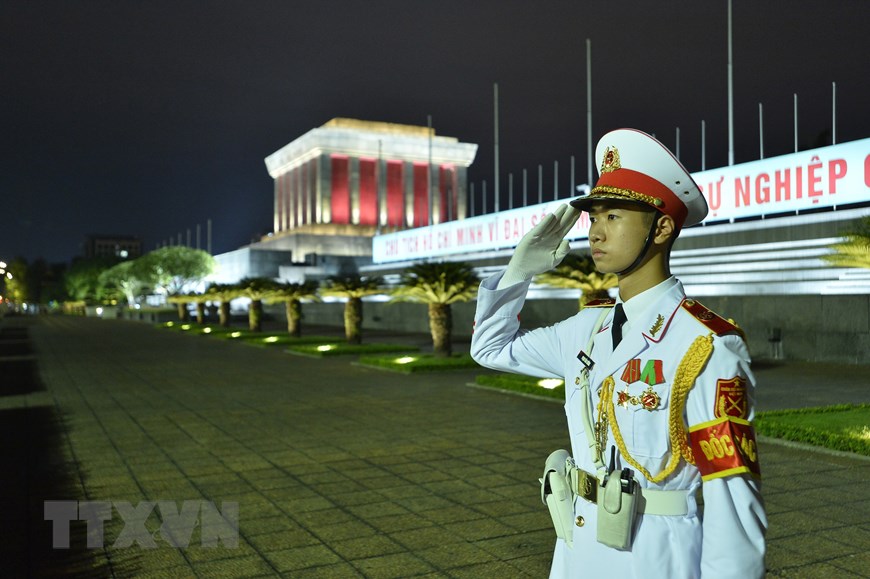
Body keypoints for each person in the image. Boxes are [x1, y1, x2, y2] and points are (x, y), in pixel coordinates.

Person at [470, 128, 767, 578]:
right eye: (594, 218)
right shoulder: (586, 329)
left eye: (613, 216)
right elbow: (490, 348)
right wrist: (519, 270)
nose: (596, 231)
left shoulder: (705, 345)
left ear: (661, 228)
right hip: (577, 548)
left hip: (655, 553)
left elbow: (732, 494)